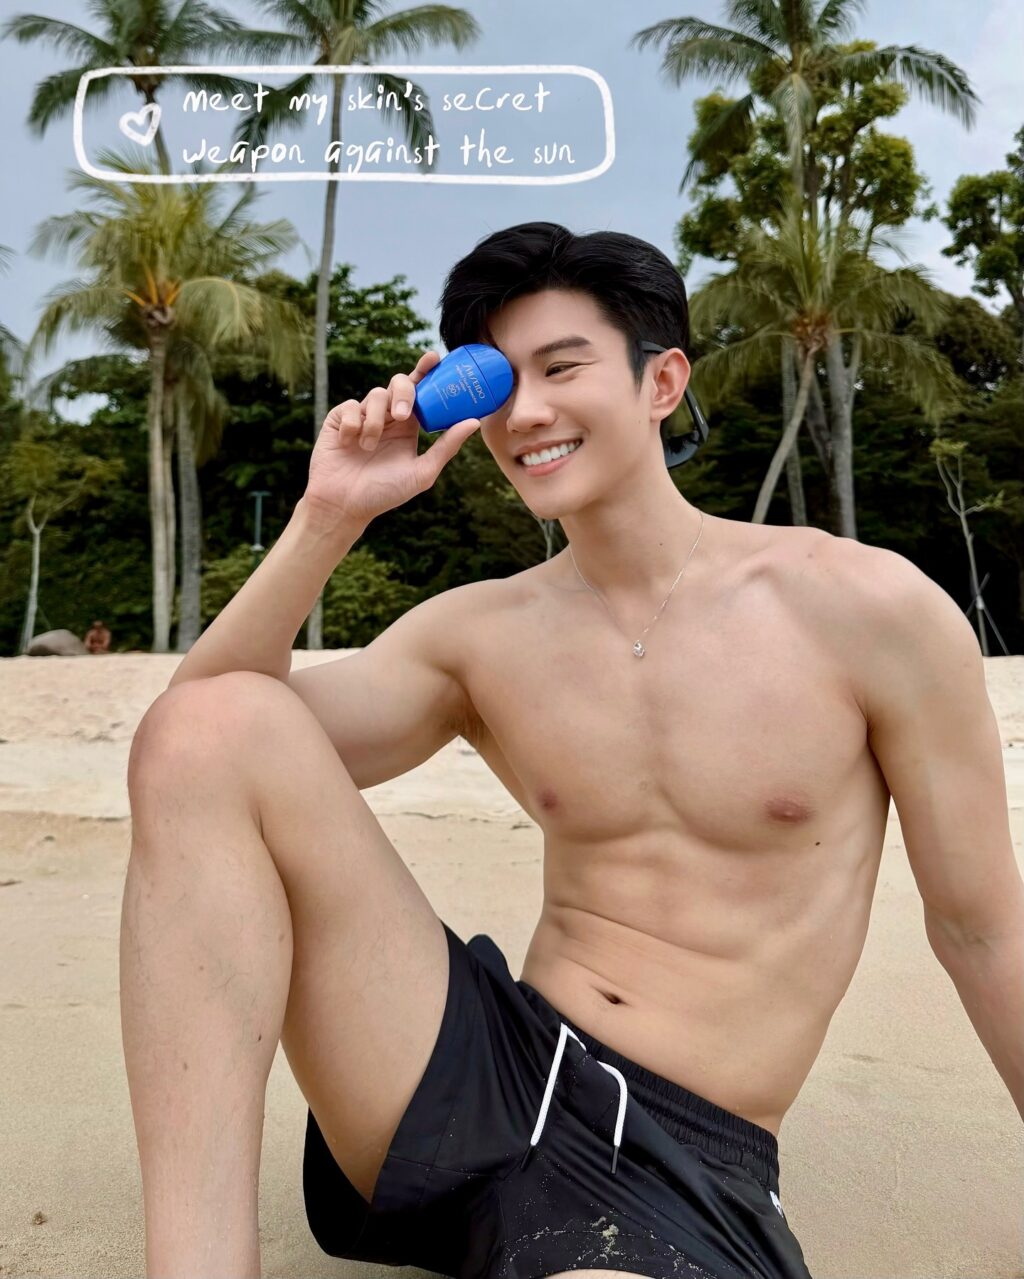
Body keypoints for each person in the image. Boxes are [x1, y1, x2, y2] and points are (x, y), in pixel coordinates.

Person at [120, 221, 1023, 1279]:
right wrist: (330, 516)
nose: (527, 413)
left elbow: (981, 927)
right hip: (486, 1067)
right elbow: (200, 744)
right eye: (503, 383)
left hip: (682, 1150)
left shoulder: (868, 610)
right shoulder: (482, 633)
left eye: (562, 367)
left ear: (662, 381)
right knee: (207, 727)